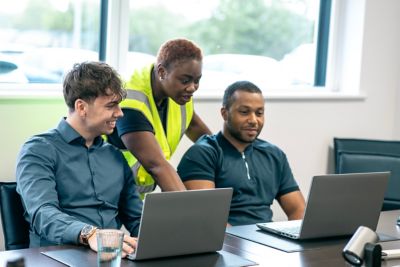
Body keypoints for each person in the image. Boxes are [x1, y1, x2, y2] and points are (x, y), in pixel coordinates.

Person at [16, 62, 142, 257]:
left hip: (111, 256)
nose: (120, 113)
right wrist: (90, 234)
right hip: (57, 256)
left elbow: (136, 217)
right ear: (81, 106)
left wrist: (164, 238)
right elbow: (43, 213)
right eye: (111, 105)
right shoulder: (38, 150)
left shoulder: (114, 156)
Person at [177, 81, 306, 226]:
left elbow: (298, 209)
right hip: (224, 243)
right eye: (244, 112)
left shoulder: (274, 155)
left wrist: (296, 241)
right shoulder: (203, 154)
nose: (253, 120)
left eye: (259, 113)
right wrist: (244, 245)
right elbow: (208, 218)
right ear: (225, 114)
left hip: (266, 242)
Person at [107, 38, 211, 194]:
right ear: (162, 72)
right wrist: (190, 208)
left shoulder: (179, 94)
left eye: (197, 80)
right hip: (107, 196)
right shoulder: (131, 101)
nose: (192, 88)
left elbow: (198, 131)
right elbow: (156, 165)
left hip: (133, 199)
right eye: (185, 80)